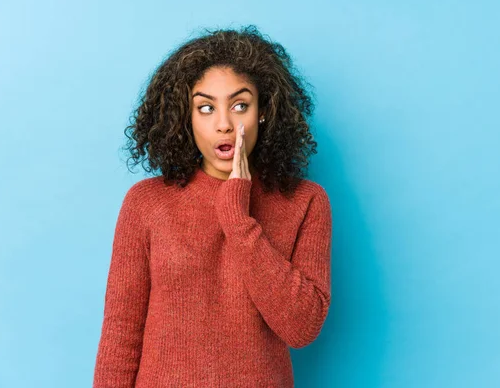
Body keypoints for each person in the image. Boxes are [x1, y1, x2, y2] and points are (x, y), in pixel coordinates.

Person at [92, 24, 333, 388]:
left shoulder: (306, 201)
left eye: (240, 105)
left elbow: (301, 328)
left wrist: (238, 217)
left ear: (263, 111)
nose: (224, 124)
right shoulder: (147, 203)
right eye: (205, 108)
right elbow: (120, 334)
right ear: (186, 118)